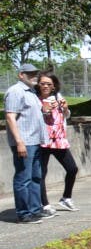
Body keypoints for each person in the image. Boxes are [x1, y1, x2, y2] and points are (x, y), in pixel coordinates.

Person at [5, 63, 51, 223]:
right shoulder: (15, 91)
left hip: (35, 141)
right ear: (21, 75)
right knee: (23, 178)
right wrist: (19, 142)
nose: (34, 77)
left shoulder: (31, 92)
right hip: (25, 142)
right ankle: (24, 214)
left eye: (35, 74)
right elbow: (10, 117)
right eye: (30, 74)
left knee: (35, 177)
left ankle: (35, 209)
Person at [36, 71, 80, 213]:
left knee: (72, 169)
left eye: (49, 84)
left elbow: (66, 115)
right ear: (38, 85)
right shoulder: (34, 99)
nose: (45, 86)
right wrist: (43, 111)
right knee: (42, 173)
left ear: (54, 86)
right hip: (43, 141)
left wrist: (66, 108)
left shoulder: (58, 97)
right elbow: (33, 119)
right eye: (42, 83)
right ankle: (45, 204)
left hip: (59, 140)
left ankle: (66, 198)